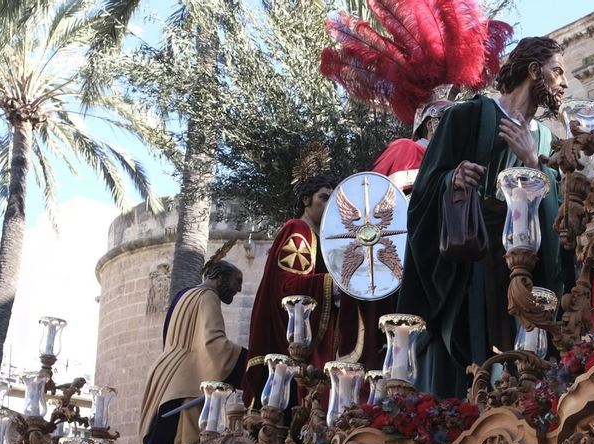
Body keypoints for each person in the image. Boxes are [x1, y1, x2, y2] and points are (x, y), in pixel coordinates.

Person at [399, 36, 570, 398]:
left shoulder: (547, 141)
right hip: (474, 261)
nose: (564, 83)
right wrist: (453, 180)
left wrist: (534, 164)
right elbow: (425, 192)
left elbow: (564, 213)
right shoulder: (467, 116)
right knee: (476, 353)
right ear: (534, 70)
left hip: (528, 262)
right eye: (557, 72)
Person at [242, 175, 379, 404]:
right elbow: (286, 285)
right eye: (323, 198)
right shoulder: (298, 229)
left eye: (333, 200)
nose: (329, 205)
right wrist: (335, 285)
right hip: (298, 342)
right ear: (306, 200)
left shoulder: (323, 240)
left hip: (321, 339)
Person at [129, 261, 248, 444]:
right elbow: (213, 344)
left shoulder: (184, 295)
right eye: (236, 282)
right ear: (219, 277)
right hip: (186, 382)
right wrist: (250, 360)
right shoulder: (208, 297)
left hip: (165, 376)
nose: (238, 290)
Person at [372, 98, 454, 193]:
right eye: (452, 123)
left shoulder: (452, 164)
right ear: (431, 126)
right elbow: (370, 190)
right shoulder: (404, 148)